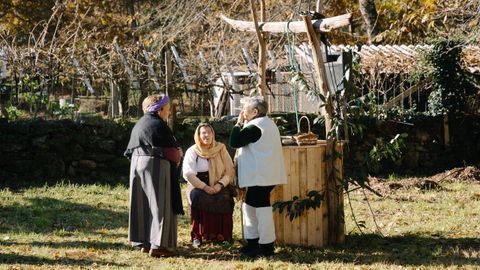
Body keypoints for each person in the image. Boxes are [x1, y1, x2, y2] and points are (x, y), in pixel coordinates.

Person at [124, 94, 184, 258]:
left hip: (137, 165)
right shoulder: (158, 124)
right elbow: (171, 152)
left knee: (142, 202)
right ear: (160, 109)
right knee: (161, 204)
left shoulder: (141, 123)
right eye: (168, 108)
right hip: (155, 166)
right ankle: (159, 245)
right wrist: (178, 154)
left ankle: (145, 242)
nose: (169, 112)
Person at [229, 96, 287, 258]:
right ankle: (253, 243)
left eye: (245, 109)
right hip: (263, 175)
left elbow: (235, 141)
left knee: (261, 210)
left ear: (255, 112)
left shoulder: (256, 126)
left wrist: (239, 123)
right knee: (250, 207)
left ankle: (265, 247)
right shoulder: (267, 124)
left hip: (260, 177)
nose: (242, 112)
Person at [182, 123, 235, 248]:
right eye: (203, 133)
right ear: (198, 136)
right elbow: (188, 173)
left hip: (218, 184)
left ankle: (223, 235)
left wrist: (219, 185)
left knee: (225, 198)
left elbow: (230, 170)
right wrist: (204, 187)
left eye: (209, 132)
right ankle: (197, 236)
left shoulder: (221, 148)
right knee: (197, 198)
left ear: (213, 134)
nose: (207, 135)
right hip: (198, 185)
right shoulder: (192, 151)